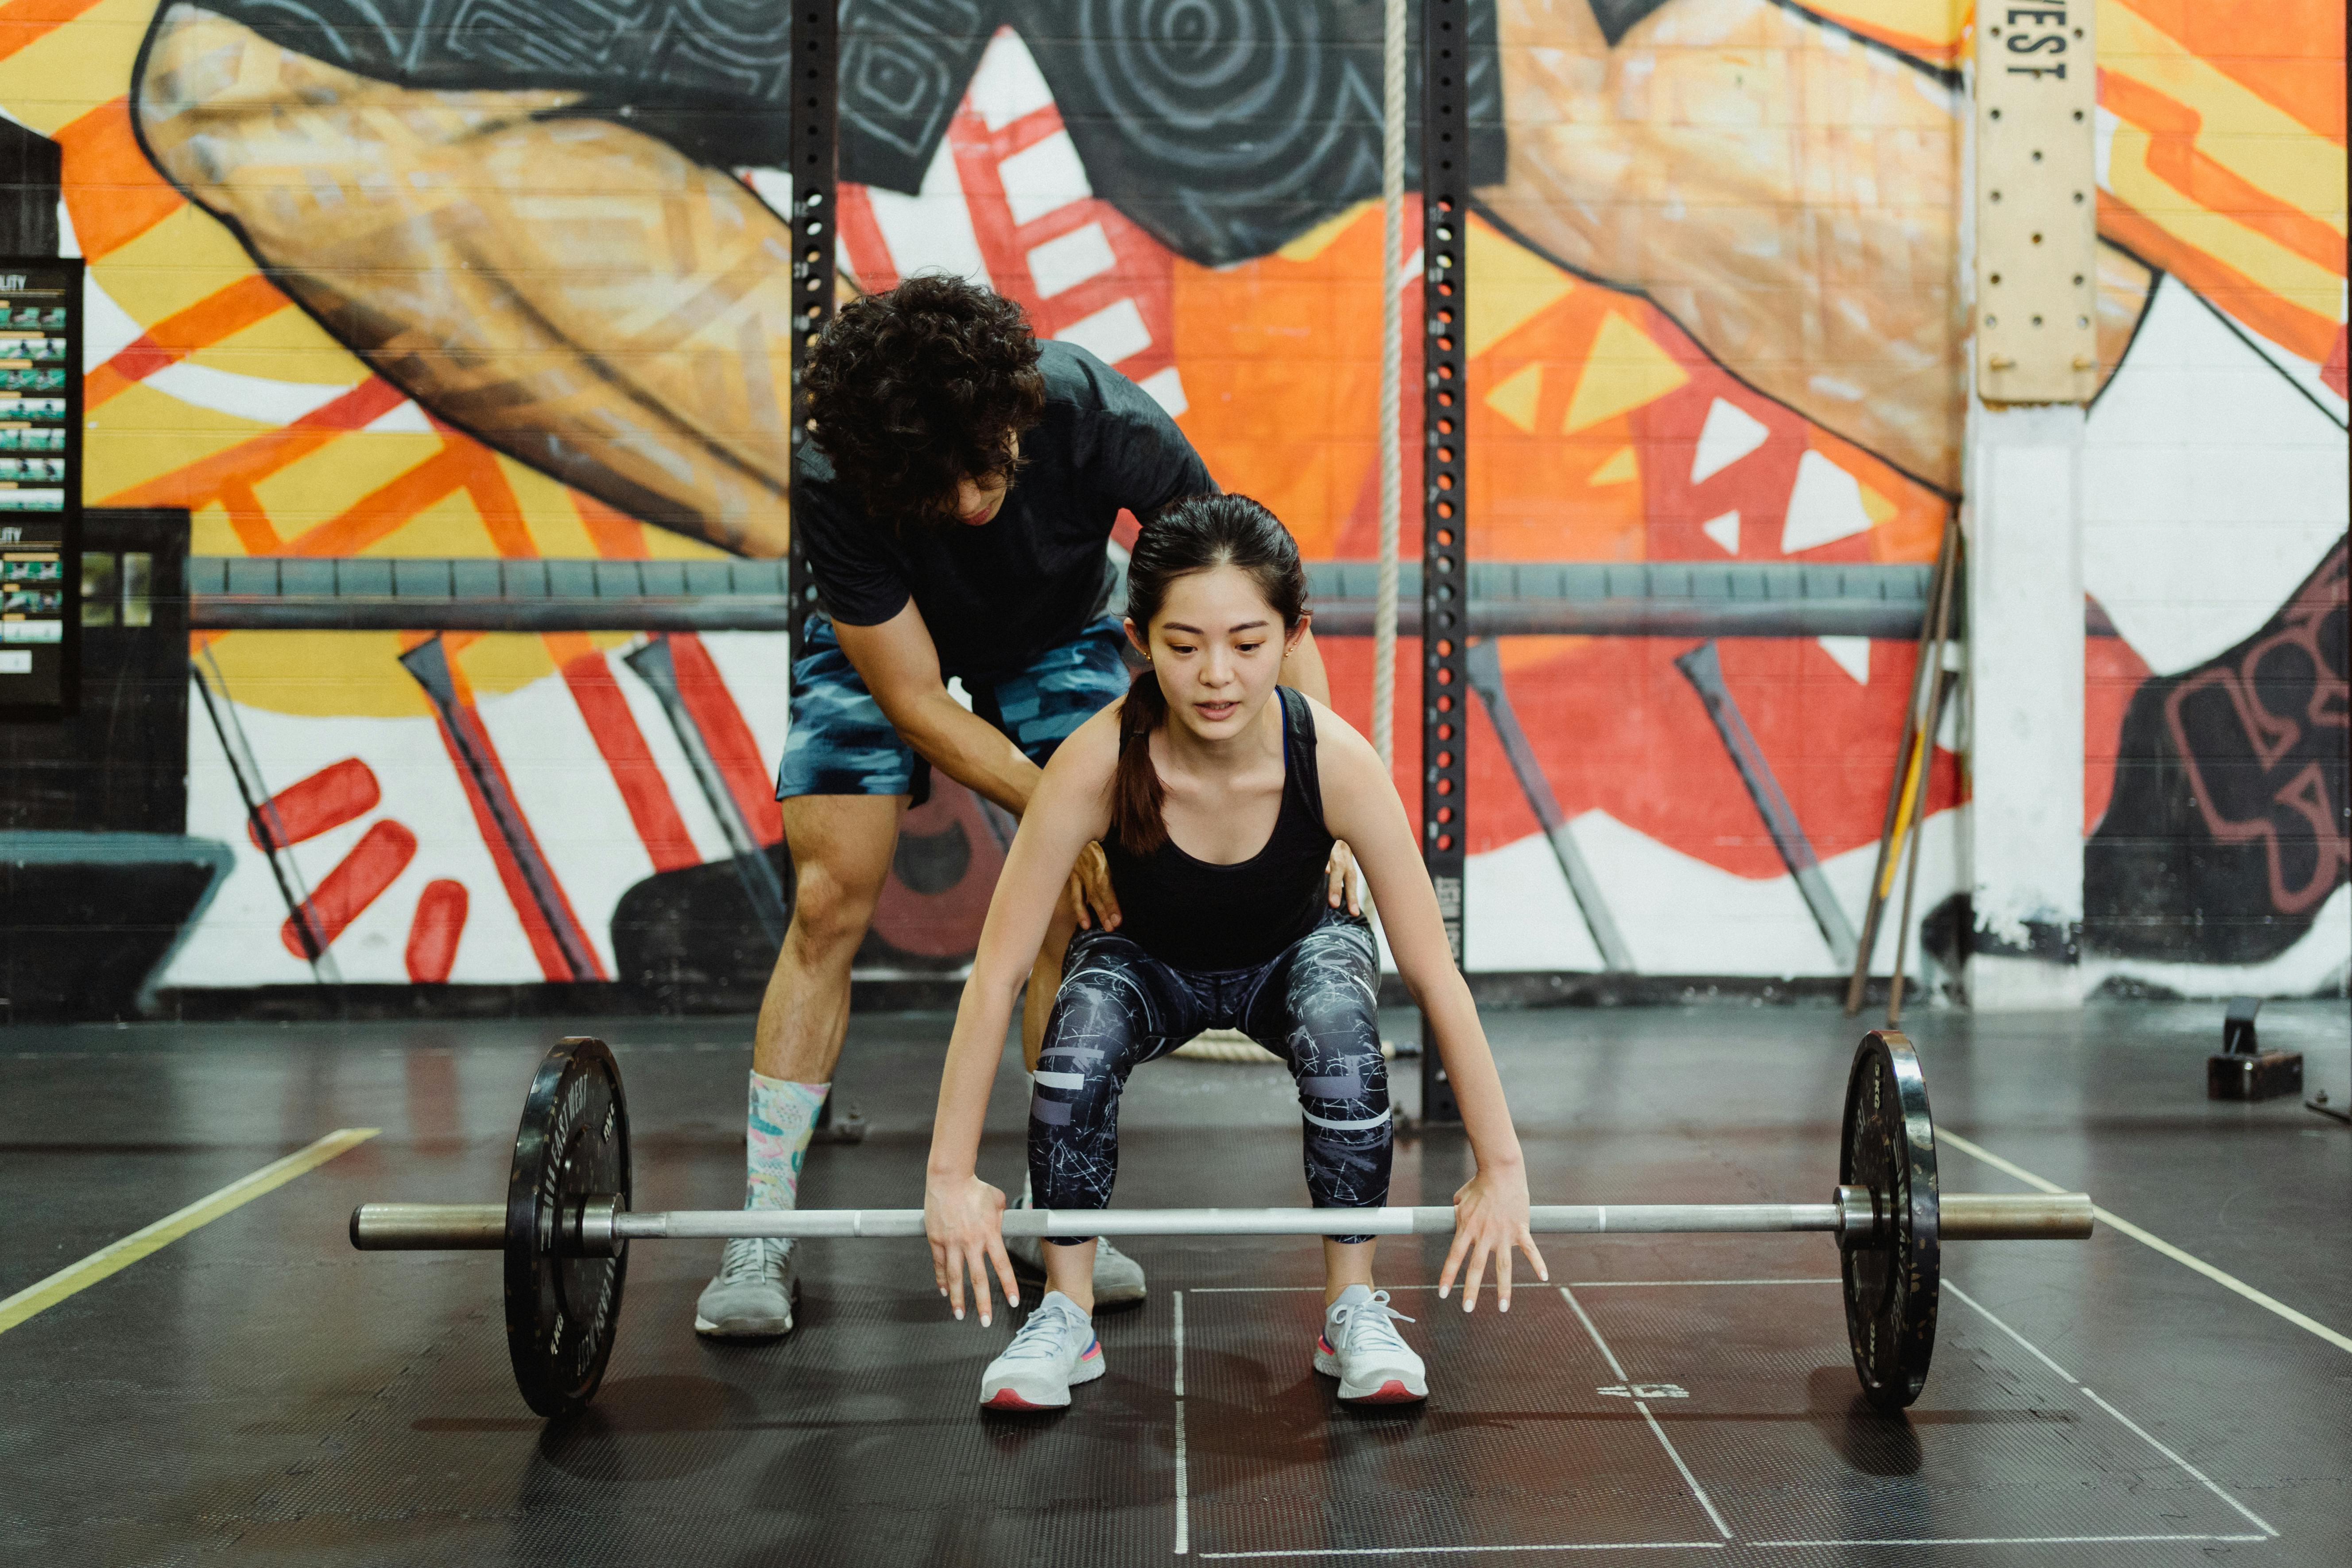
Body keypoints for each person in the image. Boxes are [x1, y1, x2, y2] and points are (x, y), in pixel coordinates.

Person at [685, 277, 1356, 1339]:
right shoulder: (839, 471)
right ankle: (762, 1226)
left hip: (1055, 632)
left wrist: (1330, 794)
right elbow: (910, 697)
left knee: (1077, 907)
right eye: (935, 483)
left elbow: (1255, 601)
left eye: (984, 466)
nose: (964, 501)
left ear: (1016, 411)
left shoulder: (1101, 418)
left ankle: (1064, 1220)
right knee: (826, 900)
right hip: (885, 649)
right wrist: (1061, 807)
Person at [922, 494, 1545, 1411]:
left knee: (1343, 1022)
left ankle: (1350, 1307)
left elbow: (1432, 972)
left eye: (1247, 645)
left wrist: (1503, 1170)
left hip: (1289, 956)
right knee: (1077, 1036)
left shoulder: (1332, 759)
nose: (1216, 675)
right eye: (1183, 646)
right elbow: (1000, 976)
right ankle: (1066, 1311)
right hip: (1147, 963)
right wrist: (949, 1178)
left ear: (1293, 636)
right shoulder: (1095, 761)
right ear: (1139, 638)